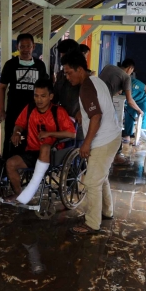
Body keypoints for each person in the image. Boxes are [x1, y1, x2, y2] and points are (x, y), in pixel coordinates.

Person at [61, 51, 121, 235]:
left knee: (91, 182)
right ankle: (106, 211)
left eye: (69, 72)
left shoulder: (86, 87)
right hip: (112, 136)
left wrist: (86, 144)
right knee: (100, 177)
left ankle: (92, 223)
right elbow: (98, 107)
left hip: (103, 140)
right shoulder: (95, 80)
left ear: (80, 69)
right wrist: (82, 114)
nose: (67, 76)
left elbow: (96, 116)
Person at [5, 79, 76, 204]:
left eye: (43, 96)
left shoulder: (58, 112)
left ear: (51, 96)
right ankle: (20, 194)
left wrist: (50, 133)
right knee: (10, 163)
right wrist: (16, 132)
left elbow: (72, 134)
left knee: (45, 147)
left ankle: (30, 190)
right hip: (32, 151)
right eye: (36, 96)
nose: (39, 100)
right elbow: (19, 124)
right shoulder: (30, 108)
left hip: (53, 154)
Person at [0, 33, 48, 161]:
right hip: (14, 112)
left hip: (34, 113)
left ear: (33, 47)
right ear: (17, 47)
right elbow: (2, 88)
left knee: (32, 141)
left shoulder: (40, 66)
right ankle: (7, 172)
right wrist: (2, 109)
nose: (25, 49)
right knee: (10, 140)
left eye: (28, 46)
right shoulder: (10, 65)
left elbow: (46, 89)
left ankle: (28, 171)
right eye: (22, 46)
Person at [98, 63, 133, 166]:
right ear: (130, 68)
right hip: (104, 102)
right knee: (116, 128)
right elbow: (130, 101)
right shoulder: (126, 77)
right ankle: (117, 156)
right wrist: (140, 111)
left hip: (93, 97)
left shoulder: (108, 66)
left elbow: (106, 84)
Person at [53, 39, 84, 143]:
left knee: (77, 151)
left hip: (79, 124)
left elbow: (94, 102)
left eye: (64, 54)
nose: (62, 58)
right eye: (61, 55)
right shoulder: (61, 75)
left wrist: (82, 111)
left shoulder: (85, 77)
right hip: (63, 122)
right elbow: (55, 96)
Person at [119, 59, 146, 143]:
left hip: (142, 100)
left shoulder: (134, 83)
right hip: (131, 101)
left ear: (131, 69)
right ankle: (127, 136)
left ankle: (140, 137)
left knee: (142, 117)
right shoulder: (120, 77)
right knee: (129, 117)